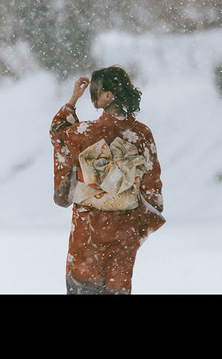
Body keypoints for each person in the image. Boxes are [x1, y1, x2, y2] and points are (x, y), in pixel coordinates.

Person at [50, 66, 165, 295]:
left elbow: (57, 133)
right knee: (117, 288)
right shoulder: (142, 134)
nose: (93, 96)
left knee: (84, 286)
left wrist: (73, 99)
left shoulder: (85, 132)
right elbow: (151, 183)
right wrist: (138, 226)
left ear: (108, 95)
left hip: (89, 227)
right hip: (125, 228)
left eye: (96, 91)